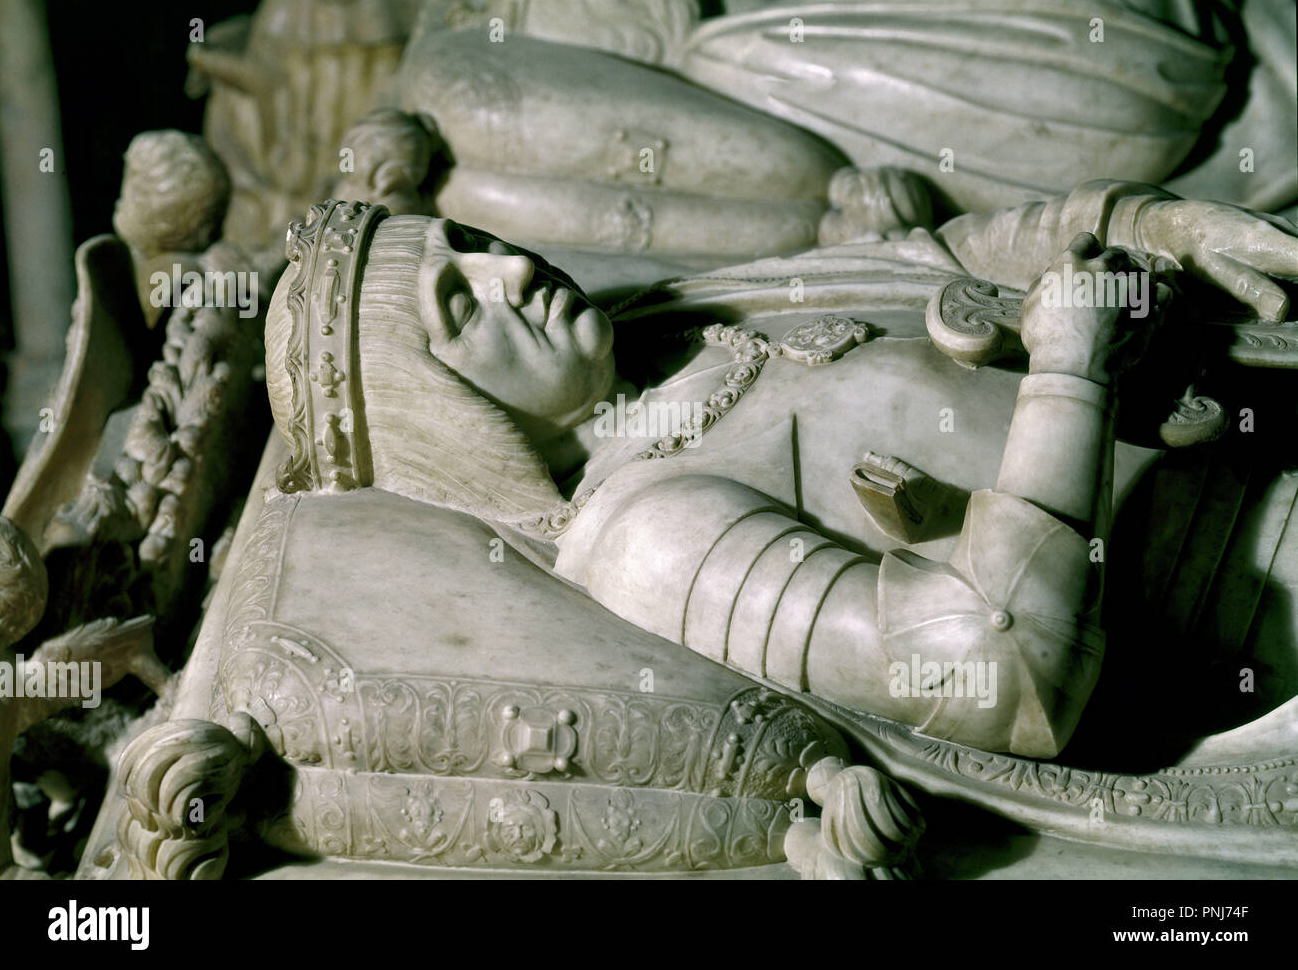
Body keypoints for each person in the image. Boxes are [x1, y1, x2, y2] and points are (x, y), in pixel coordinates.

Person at [261, 185, 1297, 758]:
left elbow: (936, 255)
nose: (512, 268)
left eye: (476, 240)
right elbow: (1000, 679)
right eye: (460, 302)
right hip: (1256, 595)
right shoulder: (646, 536)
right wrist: (1071, 370)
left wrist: (1139, 222)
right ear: (440, 415)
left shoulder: (675, 316)